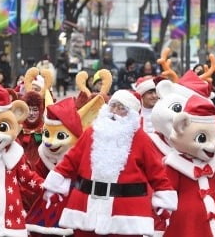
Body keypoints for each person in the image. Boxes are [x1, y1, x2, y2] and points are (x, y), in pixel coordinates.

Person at [42, 90, 177, 237]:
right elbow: (70, 161)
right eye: (112, 106)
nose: (114, 112)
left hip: (125, 216)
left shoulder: (141, 139)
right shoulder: (91, 133)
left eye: (121, 108)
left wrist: (164, 201)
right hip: (86, 210)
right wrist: (55, 186)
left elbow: (156, 172)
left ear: (131, 114)